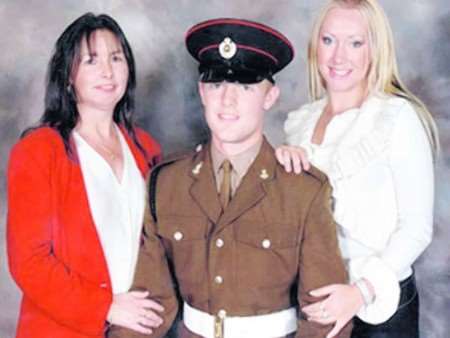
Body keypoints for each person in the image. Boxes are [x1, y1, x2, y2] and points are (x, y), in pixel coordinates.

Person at [109, 18, 352, 338]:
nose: (227, 100)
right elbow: (149, 306)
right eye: (216, 84)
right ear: (202, 92)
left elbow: (325, 317)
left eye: (245, 86)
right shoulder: (167, 184)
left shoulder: (302, 189)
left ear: (270, 96)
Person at [275, 1, 438, 337]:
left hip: (380, 309)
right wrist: (280, 169)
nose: (338, 57)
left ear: (375, 50)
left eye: (355, 43)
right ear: (315, 45)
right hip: (313, 303)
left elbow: (417, 228)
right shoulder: (299, 126)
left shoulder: (397, 118)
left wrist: (360, 291)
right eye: (329, 40)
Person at [7, 13, 165, 338]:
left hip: (137, 329)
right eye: (91, 60)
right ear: (68, 75)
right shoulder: (39, 151)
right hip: (62, 329)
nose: (107, 71)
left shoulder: (146, 148)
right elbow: (29, 262)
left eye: (116, 58)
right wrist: (104, 306)